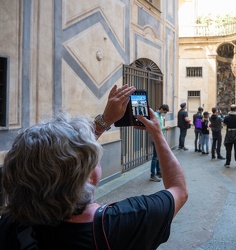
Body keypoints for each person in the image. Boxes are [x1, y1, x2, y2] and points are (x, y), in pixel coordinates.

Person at [0, 84, 188, 249]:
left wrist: (104, 120)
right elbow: (179, 190)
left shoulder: (11, 223)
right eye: (94, 157)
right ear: (88, 177)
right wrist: (157, 133)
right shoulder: (124, 222)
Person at [150, 104, 170, 182]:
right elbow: (156, 127)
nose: (164, 113)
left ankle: (158, 172)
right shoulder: (155, 115)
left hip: (159, 137)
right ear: (161, 109)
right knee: (155, 157)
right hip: (155, 138)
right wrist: (165, 128)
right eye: (164, 112)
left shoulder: (160, 116)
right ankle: (152, 175)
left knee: (158, 156)